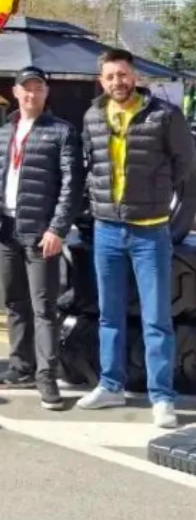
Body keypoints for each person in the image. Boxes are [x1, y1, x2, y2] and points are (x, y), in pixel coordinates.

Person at [76, 48, 195, 428]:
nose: (117, 82)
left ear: (135, 76)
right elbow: (91, 164)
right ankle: (111, 384)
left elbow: (185, 165)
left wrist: (156, 196)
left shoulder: (164, 115)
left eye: (123, 75)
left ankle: (162, 398)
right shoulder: (93, 115)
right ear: (102, 81)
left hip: (150, 232)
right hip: (107, 230)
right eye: (110, 76)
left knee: (156, 318)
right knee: (109, 315)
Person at [0, 66, 82, 410]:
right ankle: (20, 367)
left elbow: (72, 186)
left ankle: (47, 377)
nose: (31, 94)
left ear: (46, 93)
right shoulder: (2, 134)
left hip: (41, 233)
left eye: (37, 88)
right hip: (5, 230)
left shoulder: (62, 132)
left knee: (44, 309)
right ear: (15, 92)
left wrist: (57, 229)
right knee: (14, 303)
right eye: (25, 88)